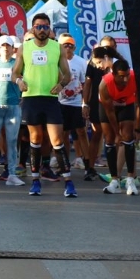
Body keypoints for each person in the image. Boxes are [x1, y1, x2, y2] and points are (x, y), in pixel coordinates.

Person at [12, 12, 75, 197]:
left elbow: (67, 74)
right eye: (38, 27)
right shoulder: (25, 47)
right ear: (33, 28)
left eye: (45, 27)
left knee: (57, 140)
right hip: (31, 98)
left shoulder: (58, 48)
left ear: (50, 29)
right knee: (36, 139)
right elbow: (14, 73)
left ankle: (69, 182)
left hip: (50, 99)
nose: (42, 30)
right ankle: (35, 181)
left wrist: (61, 85)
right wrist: (19, 83)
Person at [99, 58, 140, 196]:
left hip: (127, 103)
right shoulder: (105, 84)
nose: (125, 79)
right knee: (110, 138)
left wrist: (137, 126)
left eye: (127, 75)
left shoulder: (135, 78)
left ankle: (130, 179)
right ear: (114, 74)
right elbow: (110, 112)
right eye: (121, 76)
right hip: (109, 106)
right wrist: (117, 134)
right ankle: (114, 180)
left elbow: (139, 103)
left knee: (128, 136)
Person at [0, 36, 24, 185]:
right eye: (3, 46)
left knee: (12, 141)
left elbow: (25, 79)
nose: (6, 48)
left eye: (8, 46)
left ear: (12, 48)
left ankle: (12, 174)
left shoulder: (18, 64)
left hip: (14, 107)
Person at [56, 34, 91, 178]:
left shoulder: (81, 62)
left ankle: (88, 166)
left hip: (76, 103)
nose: (68, 47)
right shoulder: (56, 62)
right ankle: (64, 165)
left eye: (71, 45)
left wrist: (85, 104)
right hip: (61, 103)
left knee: (81, 132)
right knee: (63, 134)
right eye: (65, 45)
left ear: (75, 47)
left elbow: (85, 84)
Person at [81, 46, 117, 182]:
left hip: (115, 104)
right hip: (97, 103)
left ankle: (116, 171)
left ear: (106, 57)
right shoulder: (92, 64)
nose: (98, 66)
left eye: (99, 63)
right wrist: (85, 104)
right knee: (97, 134)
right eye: (95, 63)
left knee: (113, 136)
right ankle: (90, 168)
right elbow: (88, 84)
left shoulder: (117, 65)